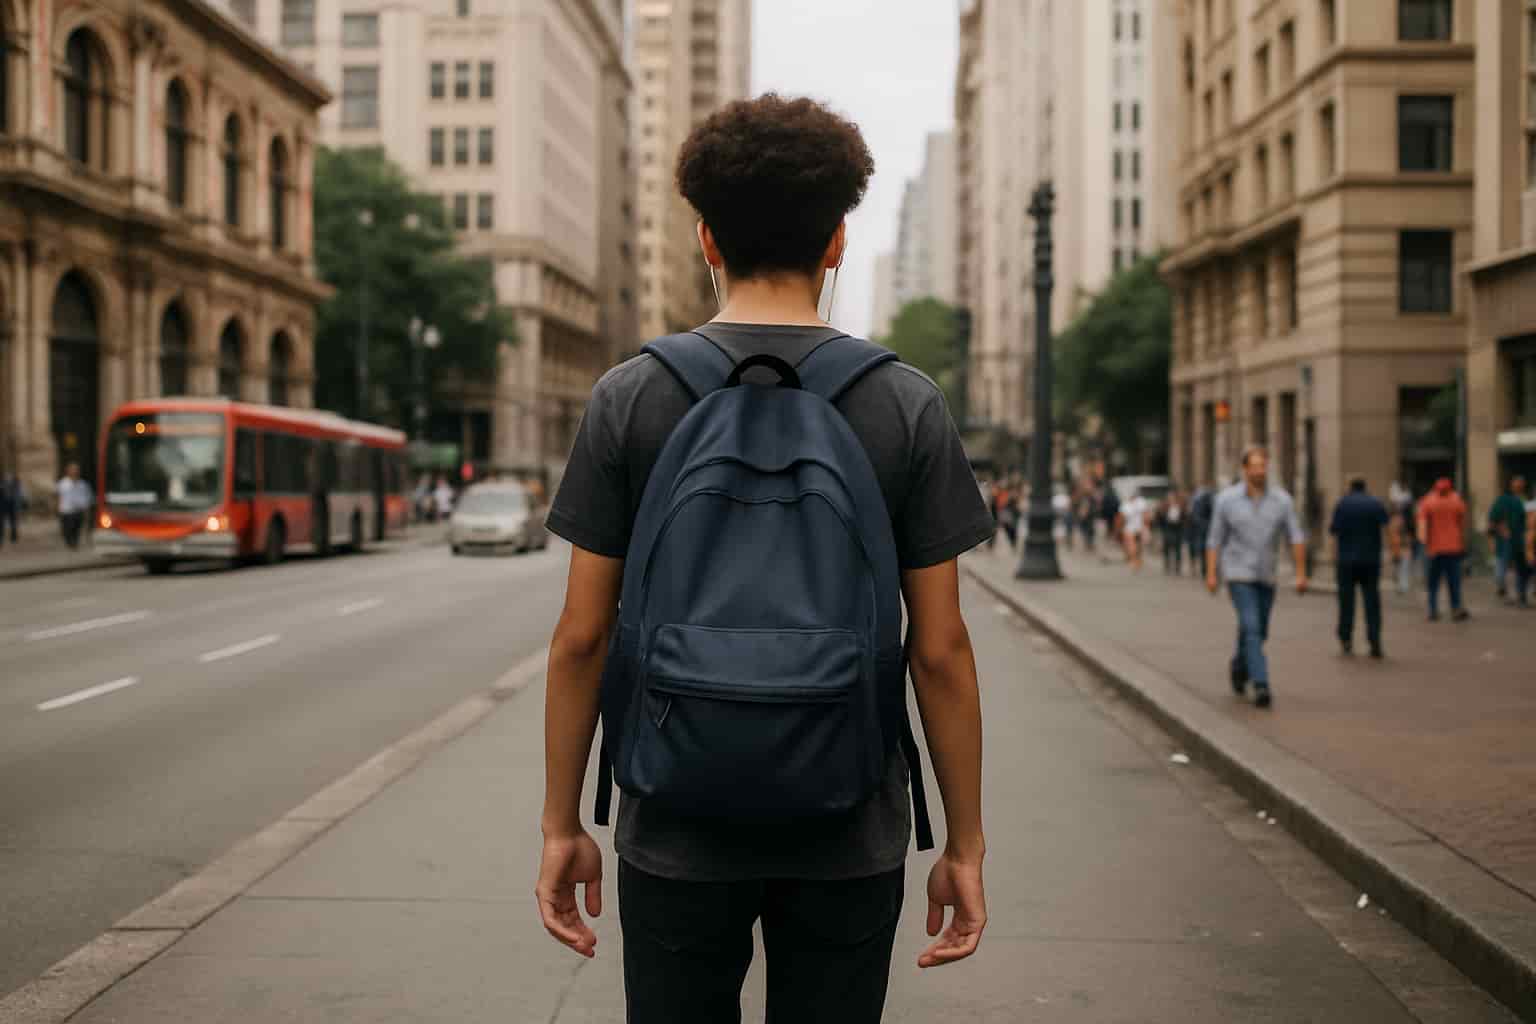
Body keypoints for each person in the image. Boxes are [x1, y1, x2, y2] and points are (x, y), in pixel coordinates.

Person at [534, 94, 993, 1022]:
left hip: (674, 822)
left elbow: (582, 637)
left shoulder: (632, 396)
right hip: (850, 823)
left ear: (706, 240)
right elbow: (939, 650)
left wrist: (560, 826)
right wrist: (965, 846)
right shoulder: (904, 403)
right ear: (837, 243)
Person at [1205, 447, 1307, 710]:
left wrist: (1300, 573)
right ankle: (1260, 684)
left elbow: (1295, 536)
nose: (1260, 471)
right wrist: (1211, 572)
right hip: (1238, 573)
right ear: (1245, 469)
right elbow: (1215, 539)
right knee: (1250, 625)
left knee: (1259, 630)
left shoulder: (1282, 501)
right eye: (1256, 466)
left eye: (1263, 466)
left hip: (1266, 574)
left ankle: (1239, 666)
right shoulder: (1227, 500)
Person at [1329, 476, 1393, 658]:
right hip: (1370, 561)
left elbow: (1333, 534)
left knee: (1346, 602)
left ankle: (1346, 638)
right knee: (1372, 602)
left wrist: (1334, 558)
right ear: (1365, 487)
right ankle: (1374, 640)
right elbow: (1387, 529)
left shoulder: (1342, 504)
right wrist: (1394, 551)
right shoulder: (1375, 503)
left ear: (1350, 487)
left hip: (1346, 562)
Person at [1417, 477, 1469, 622]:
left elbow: (1422, 526)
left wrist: (1423, 544)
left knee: (1433, 582)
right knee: (1454, 581)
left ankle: (1433, 610)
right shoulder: (1457, 500)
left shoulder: (1427, 501)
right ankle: (1456, 608)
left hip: (1434, 550)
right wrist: (1463, 543)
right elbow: (1463, 524)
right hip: (1453, 548)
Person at [1487, 476, 1530, 606]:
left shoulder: (1524, 499)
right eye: (1517, 483)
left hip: (1522, 539)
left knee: (1522, 568)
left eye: (1522, 483)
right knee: (1503, 566)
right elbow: (1493, 519)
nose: (1520, 485)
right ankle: (1503, 590)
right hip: (1506, 540)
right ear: (1511, 484)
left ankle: (1520, 596)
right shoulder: (1504, 500)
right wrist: (1501, 530)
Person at [55, 463, 92, 550]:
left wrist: (87, 510)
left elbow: (87, 497)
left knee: (76, 528)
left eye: (76, 470)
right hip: (66, 510)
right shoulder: (63, 483)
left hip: (78, 510)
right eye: (73, 470)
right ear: (68, 471)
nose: (75, 472)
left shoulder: (83, 484)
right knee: (67, 529)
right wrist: (57, 508)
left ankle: (74, 542)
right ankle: (69, 541)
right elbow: (58, 496)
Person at [1187, 482, 1215, 583]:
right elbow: (1196, 517)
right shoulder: (1200, 501)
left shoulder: (1208, 500)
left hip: (1206, 530)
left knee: (1206, 549)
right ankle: (1206, 571)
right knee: (1204, 550)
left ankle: (1207, 571)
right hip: (1204, 530)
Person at [1121, 488, 1149, 571]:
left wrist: (1146, 527)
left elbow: (1146, 515)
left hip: (1139, 527)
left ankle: (1137, 559)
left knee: (1139, 546)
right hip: (1130, 528)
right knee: (1132, 545)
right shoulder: (1126, 504)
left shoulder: (1141, 502)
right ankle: (1134, 561)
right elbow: (1122, 517)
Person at [1161, 491, 1187, 575]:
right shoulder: (1165, 507)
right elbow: (1160, 518)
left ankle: (1177, 566)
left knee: (1178, 549)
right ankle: (1167, 564)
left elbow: (1185, 517)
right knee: (1167, 548)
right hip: (1168, 529)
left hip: (1178, 529)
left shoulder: (1181, 507)